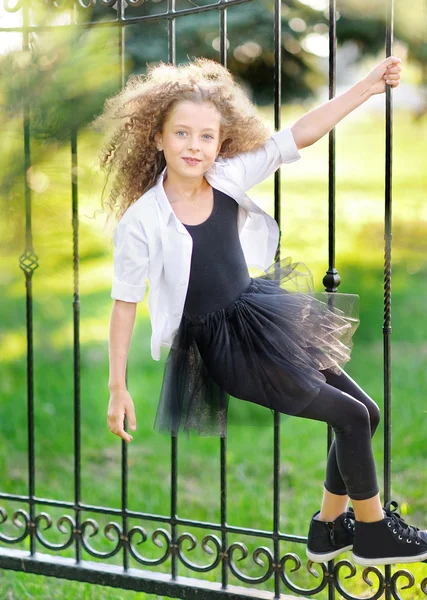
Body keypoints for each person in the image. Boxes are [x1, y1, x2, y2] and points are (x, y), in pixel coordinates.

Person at [92, 56, 427, 567]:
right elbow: (123, 303)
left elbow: (296, 137)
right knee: (352, 417)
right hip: (227, 349)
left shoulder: (225, 177)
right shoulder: (143, 220)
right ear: (157, 137)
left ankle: (327, 529)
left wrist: (366, 87)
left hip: (263, 316)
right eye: (181, 133)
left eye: (207, 136)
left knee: (365, 414)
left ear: (220, 143)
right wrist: (118, 386)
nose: (194, 146)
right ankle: (373, 531)